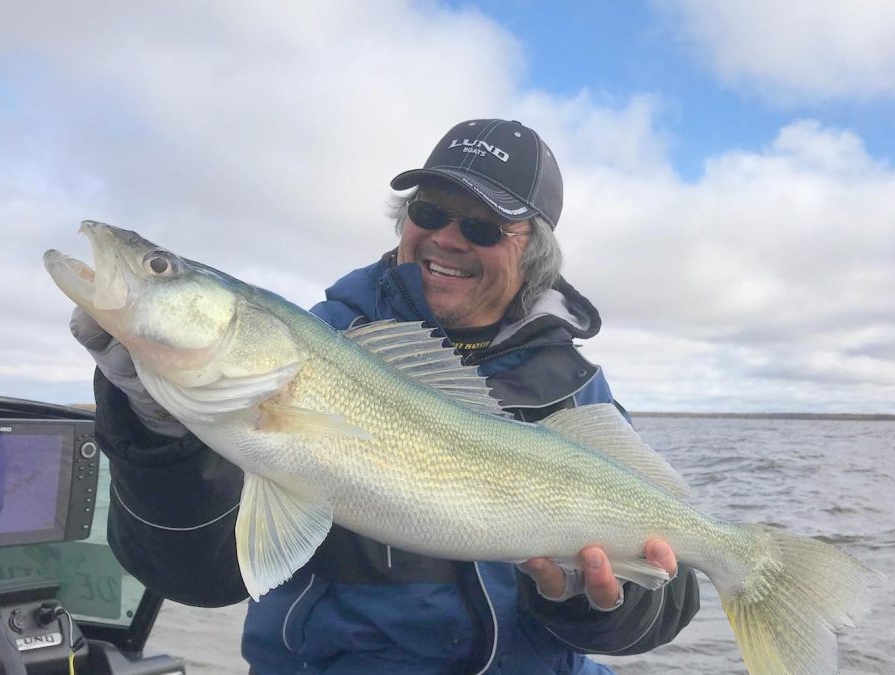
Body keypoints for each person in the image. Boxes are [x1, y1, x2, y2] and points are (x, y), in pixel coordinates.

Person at [74, 118, 699, 674]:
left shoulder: (578, 387)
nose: (448, 238)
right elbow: (199, 578)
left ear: (533, 251)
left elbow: (662, 609)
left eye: (481, 226)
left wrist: (592, 601)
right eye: (429, 211)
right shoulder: (319, 344)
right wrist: (156, 431)